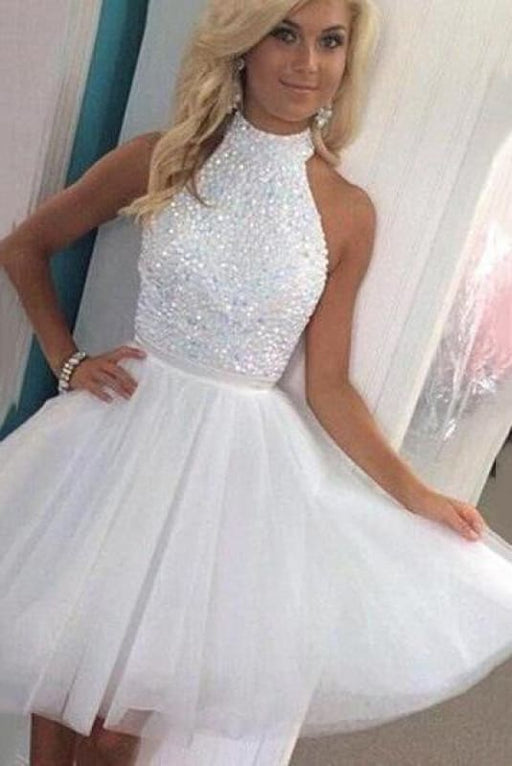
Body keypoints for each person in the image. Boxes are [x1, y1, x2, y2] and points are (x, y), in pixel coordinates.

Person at [2, 0, 512, 764]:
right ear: (243, 45)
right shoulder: (164, 158)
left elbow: (329, 385)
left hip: (227, 480)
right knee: (58, 682)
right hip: (118, 440)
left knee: (113, 734)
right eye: (285, 34)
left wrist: (417, 494)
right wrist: (68, 360)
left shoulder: (346, 211)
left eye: (330, 42)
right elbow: (26, 247)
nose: (308, 62)